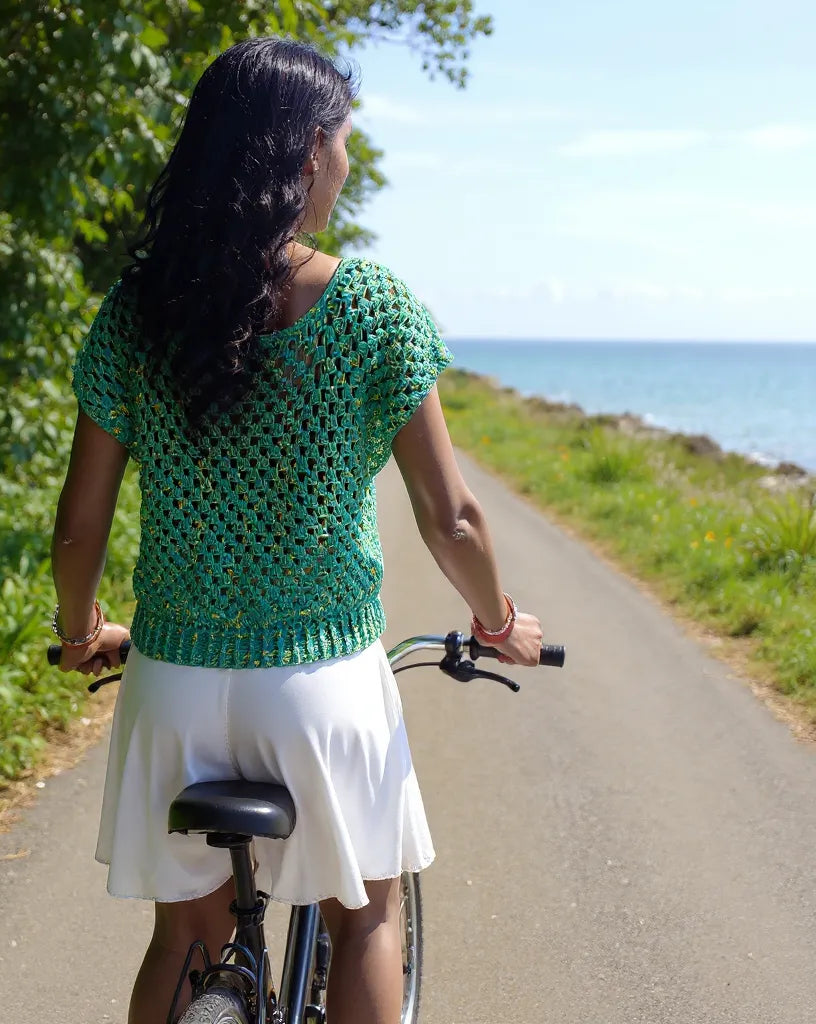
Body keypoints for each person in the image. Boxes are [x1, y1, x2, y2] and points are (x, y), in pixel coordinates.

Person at [50, 36, 542, 1024]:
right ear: (310, 150)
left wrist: (78, 630)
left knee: (182, 936)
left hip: (174, 686)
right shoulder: (370, 309)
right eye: (347, 141)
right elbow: (451, 517)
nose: (349, 162)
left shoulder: (138, 313)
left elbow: (78, 527)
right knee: (363, 918)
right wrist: (495, 621)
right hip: (321, 684)